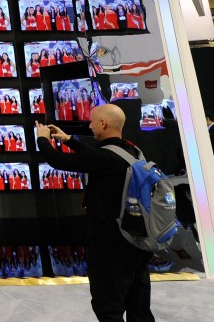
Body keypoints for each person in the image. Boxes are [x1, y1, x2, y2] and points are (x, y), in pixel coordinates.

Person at [36, 104, 155, 322]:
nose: (89, 125)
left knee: (108, 308)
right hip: (137, 239)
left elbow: (57, 161)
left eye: (92, 121)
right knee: (139, 307)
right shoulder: (132, 150)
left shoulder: (104, 158)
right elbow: (95, 156)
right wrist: (69, 140)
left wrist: (42, 138)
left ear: (103, 123)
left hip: (110, 245)